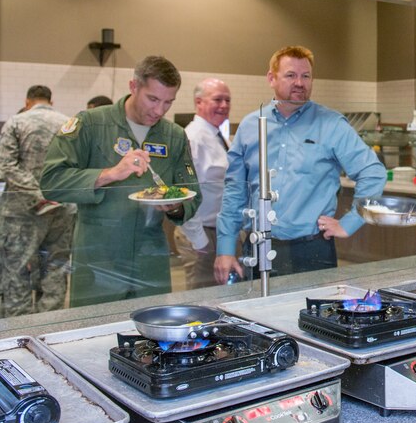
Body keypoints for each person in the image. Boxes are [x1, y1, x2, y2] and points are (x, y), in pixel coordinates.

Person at [215, 45, 386, 282]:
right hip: (257, 246)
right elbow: (235, 189)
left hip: (312, 250)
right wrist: (224, 248)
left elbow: (373, 172)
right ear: (271, 78)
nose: (299, 82)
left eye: (306, 76)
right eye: (290, 75)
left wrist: (350, 222)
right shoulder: (250, 126)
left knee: (311, 318)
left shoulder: (331, 124)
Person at [41, 56, 201, 307]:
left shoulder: (174, 135)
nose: (159, 110)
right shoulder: (90, 124)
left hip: (151, 259)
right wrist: (110, 174)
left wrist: (176, 206)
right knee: (92, 335)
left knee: (151, 335)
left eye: (168, 102)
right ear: (133, 86)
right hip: (98, 259)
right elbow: (51, 181)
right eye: (153, 99)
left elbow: (192, 193)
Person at [0, 85, 75, 317]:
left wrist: (37, 193)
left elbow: (5, 166)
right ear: (51, 101)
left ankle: (17, 333)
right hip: (62, 208)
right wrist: (52, 192)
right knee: (55, 270)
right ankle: (48, 328)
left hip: (21, 212)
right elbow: (77, 166)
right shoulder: (69, 124)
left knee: (17, 271)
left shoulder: (16, 122)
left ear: (28, 100)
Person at [173, 78, 233, 290]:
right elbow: (185, 194)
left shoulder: (217, 135)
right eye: (217, 99)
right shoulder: (194, 138)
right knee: (201, 299)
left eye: (227, 100)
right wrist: (199, 240)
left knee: (219, 295)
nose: (224, 105)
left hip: (217, 231)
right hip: (201, 233)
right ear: (199, 102)